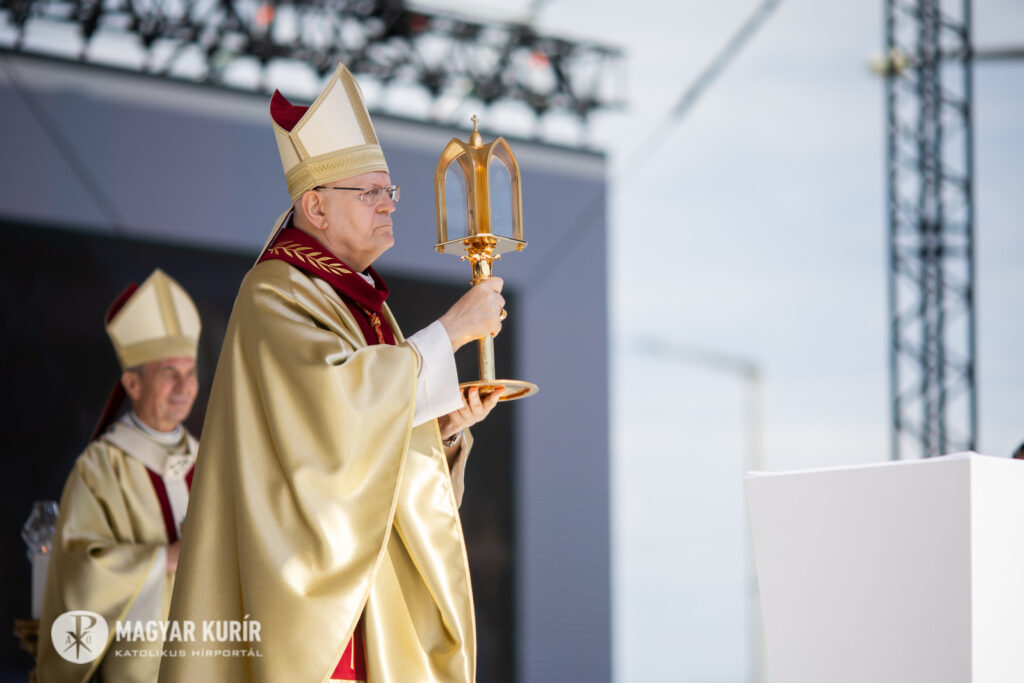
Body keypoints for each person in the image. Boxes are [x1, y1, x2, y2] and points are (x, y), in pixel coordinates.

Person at [161, 63, 505, 682]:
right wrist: (451, 332)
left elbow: (363, 443)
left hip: (372, 601)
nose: (388, 204)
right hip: (313, 610)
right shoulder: (275, 293)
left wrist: (441, 427)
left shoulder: (357, 300)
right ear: (315, 206)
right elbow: (330, 417)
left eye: (390, 191)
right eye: (369, 193)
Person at [36, 269, 202, 682]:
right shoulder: (100, 468)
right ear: (132, 383)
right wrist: (165, 558)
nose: (184, 386)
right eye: (169, 372)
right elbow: (78, 570)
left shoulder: (210, 461)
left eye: (190, 373)